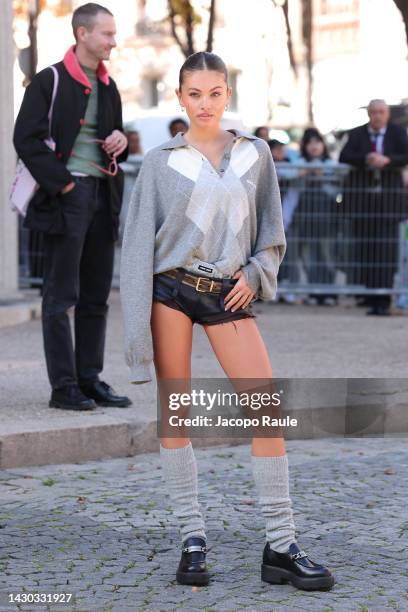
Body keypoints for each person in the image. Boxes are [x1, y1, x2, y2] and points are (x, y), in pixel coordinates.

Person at [121, 51, 334, 591]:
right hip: (170, 291)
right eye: (195, 94)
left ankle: (281, 545)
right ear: (180, 97)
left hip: (229, 294)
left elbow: (271, 233)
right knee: (177, 418)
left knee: (266, 411)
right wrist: (135, 342)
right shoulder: (160, 161)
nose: (206, 103)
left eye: (215, 93)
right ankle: (193, 539)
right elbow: (136, 248)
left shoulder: (254, 154)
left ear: (227, 95)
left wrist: (258, 272)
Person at [13, 3, 131, 411]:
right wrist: (63, 185)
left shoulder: (109, 86)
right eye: (107, 34)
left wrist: (121, 139)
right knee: (60, 296)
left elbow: (115, 136)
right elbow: (25, 139)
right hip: (67, 196)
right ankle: (63, 387)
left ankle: (89, 379)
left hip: (102, 195)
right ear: (83, 34)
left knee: (96, 295)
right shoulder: (50, 80)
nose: (113, 41)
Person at [339, 99, 408, 315]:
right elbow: (345, 156)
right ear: (368, 114)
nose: (377, 116)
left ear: (387, 114)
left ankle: (383, 297)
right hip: (363, 203)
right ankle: (370, 295)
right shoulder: (357, 134)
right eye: (374, 112)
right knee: (366, 249)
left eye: (381, 112)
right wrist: (366, 159)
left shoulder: (397, 133)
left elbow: (405, 156)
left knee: (386, 250)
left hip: (389, 202)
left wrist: (387, 161)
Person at [292, 128, 338, 305]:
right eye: (310, 142)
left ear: (323, 144)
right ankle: (314, 291)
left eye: (317, 142)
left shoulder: (330, 164)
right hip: (305, 216)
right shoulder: (300, 162)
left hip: (326, 216)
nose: (314, 146)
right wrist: (303, 172)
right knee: (309, 255)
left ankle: (329, 291)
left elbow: (338, 187)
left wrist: (321, 175)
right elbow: (287, 175)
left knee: (327, 254)